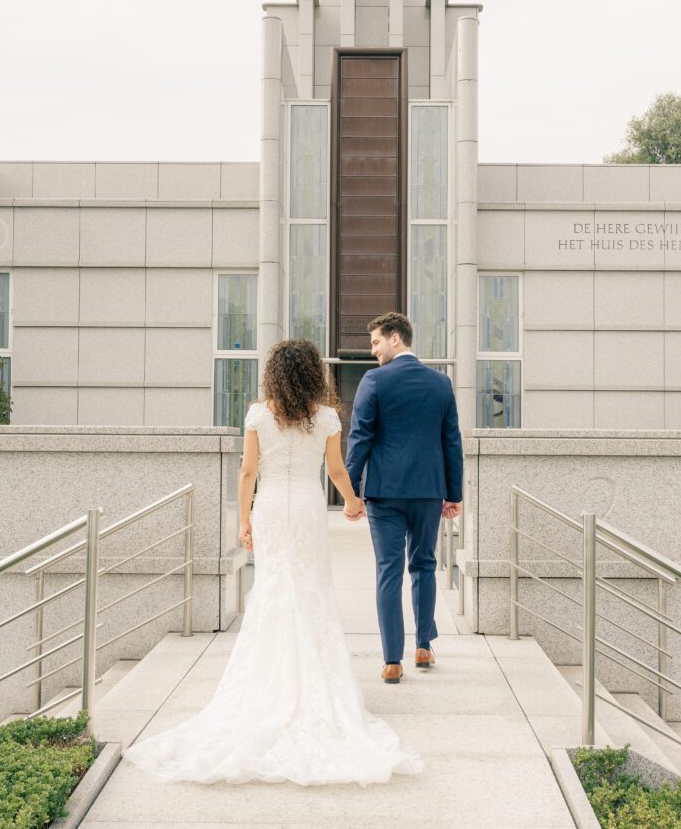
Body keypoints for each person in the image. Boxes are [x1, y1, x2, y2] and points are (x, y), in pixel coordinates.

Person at [123, 338, 422, 787]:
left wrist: (243, 520)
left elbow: (247, 471)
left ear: (273, 374)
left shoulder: (258, 413)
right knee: (312, 590)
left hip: (271, 508)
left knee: (272, 590)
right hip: (304, 507)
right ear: (312, 373)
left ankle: (267, 686)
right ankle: (315, 689)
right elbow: (336, 471)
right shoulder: (324, 417)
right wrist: (353, 502)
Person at [345, 313, 463, 685]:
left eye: (376, 343)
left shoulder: (375, 381)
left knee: (389, 572)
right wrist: (454, 492)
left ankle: (392, 660)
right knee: (425, 565)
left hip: (385, 492)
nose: (373, 351)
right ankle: (424, 644)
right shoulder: (441, 384)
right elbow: (451, 442)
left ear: (395, 339)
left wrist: (350, 492)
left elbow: (360, 437)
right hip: (429, 490)